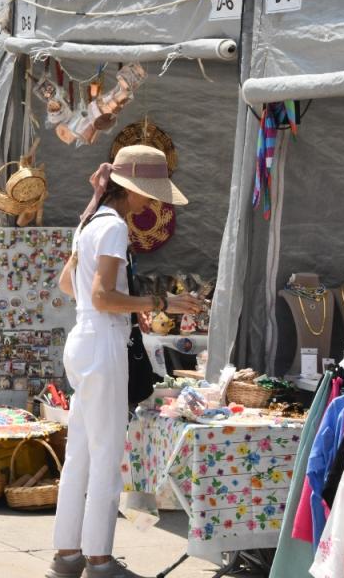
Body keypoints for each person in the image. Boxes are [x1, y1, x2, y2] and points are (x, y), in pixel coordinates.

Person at [48, 145, 204, 578]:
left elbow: (69, 284)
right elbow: (101, 296)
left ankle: (67, 555)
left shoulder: (91, 222)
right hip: (102, 345)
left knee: (81, 454)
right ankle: (98, 560)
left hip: (84, 341)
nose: (151, 201)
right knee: (104, 456)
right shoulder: (113, 226)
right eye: (149, 191)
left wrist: (116, 305)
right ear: (131, 187)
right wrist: (159, 301)